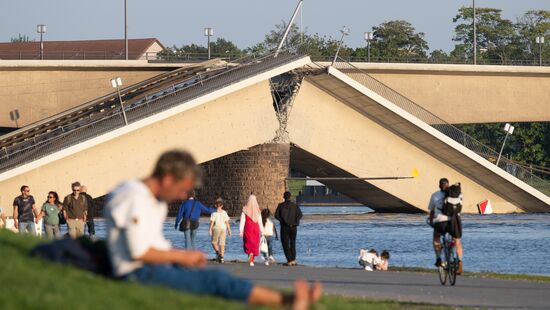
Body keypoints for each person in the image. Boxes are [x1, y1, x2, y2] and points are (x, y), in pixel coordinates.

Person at [104, 150, 321, 309]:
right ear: (168, 178)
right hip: (137, 273)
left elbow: (152, 245)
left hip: (155, 267)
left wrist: (181, 257)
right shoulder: (133, 197)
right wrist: (182, 257)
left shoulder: (154, 201)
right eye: (182, 189)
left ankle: (287, 300)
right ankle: (287, 302)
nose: (182, 196)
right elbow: (138, 252)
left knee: (212, 281)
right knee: (215, 281)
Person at [428, 178, 464, 274]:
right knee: (457, 241)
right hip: (454, 220)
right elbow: (460, 208)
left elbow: (432, 211)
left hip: (440, 221)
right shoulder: (458, 194)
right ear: (448, 185)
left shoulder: (435, 195)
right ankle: (460, 262)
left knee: (436, 237)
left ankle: (439, 258)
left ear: (439, 185)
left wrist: (431, 221)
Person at [275, 191, 302, 266]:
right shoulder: (295, 205)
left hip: (284, 227)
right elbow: (300, 214)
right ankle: (293, 260)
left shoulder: (280, 206)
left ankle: (289, 260)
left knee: (285, 244)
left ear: (284, 197)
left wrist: (283, 221)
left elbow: (276, 215)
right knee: (293, 243)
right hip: (294, 227)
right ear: (290, 197)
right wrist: (295, 222)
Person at [239, 195, 264, 267]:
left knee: (248, 243)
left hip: (248, 228)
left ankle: (250, 258)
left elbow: (242, 221)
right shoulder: (258, 211)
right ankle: (252, 260)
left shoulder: (245, 210)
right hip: (255, 229)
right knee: (254, 244)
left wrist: (241, 231)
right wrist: (262, 231)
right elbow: (260, 222)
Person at [209, 198, 232, 264]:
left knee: (214, 242)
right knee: (222, 244)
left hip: (216, 228)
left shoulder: (214, 213)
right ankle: (222, 258)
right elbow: (227, 222)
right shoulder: (224, 213)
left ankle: (218, 253)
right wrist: (229, 230)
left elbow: (212, 222)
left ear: (216, 206)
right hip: (223, 229)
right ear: (222, 206)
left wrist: (210, 229)